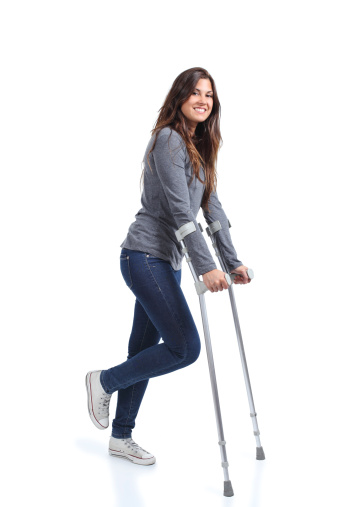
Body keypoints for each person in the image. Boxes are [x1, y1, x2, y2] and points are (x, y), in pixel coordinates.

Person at [85, 67, 251, 466]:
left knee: (142, 348)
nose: (202, 100)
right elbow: (181, 210)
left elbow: (212, 210)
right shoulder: (167, 140)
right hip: (143, 256)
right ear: (179, 97)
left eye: (209, 95)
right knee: (184, 347)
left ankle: (120, 436)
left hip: (166, 262)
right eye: (194, 92)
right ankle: (103, 381)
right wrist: (207, 266)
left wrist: (232, 260)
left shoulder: (201, 147)